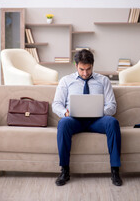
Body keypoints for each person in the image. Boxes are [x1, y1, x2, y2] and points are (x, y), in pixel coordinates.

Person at [52, 49, 122, 186]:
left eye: (88, 69)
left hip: (98, 120)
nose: (85, 73)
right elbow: (56, 104)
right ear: (76, 65)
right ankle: (64, 170)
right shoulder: (66, 81)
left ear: (93, 65)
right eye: (82, 69)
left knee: (112, 122)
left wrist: (99, 111)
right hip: (74, 120)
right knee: (63, 123)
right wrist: (65, 113)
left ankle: (115, 170)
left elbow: (112, 106)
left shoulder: (103, 81)